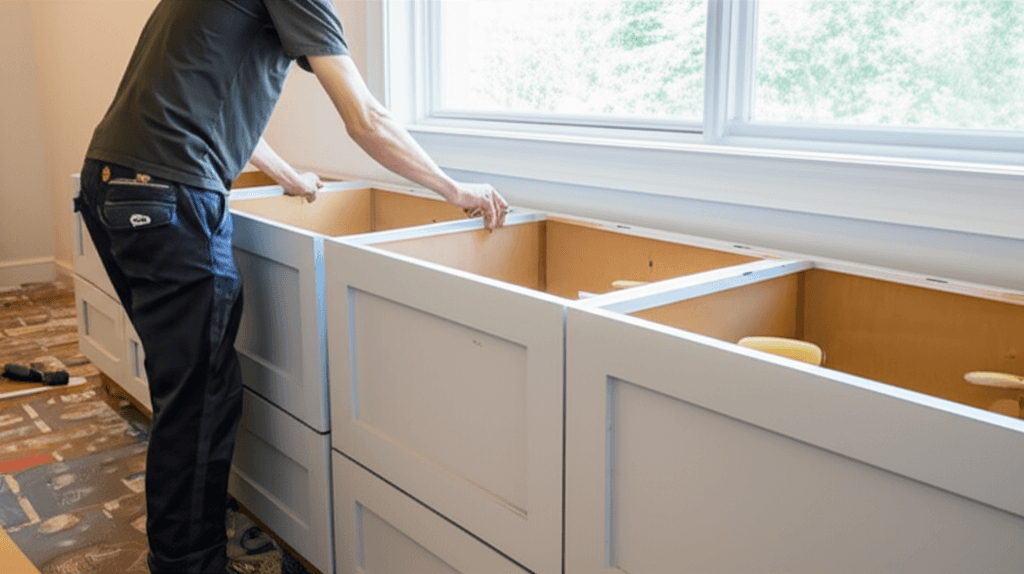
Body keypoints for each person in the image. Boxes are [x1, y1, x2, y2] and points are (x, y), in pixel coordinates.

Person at [73, 1, 509, 572]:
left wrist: (290, 176)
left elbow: (211, 105)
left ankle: (178, 544)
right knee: (200, 400)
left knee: (184, 390)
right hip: (167, 194)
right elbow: (365, 118)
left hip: (111, 183)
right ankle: (187, 563)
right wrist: (453, 188)